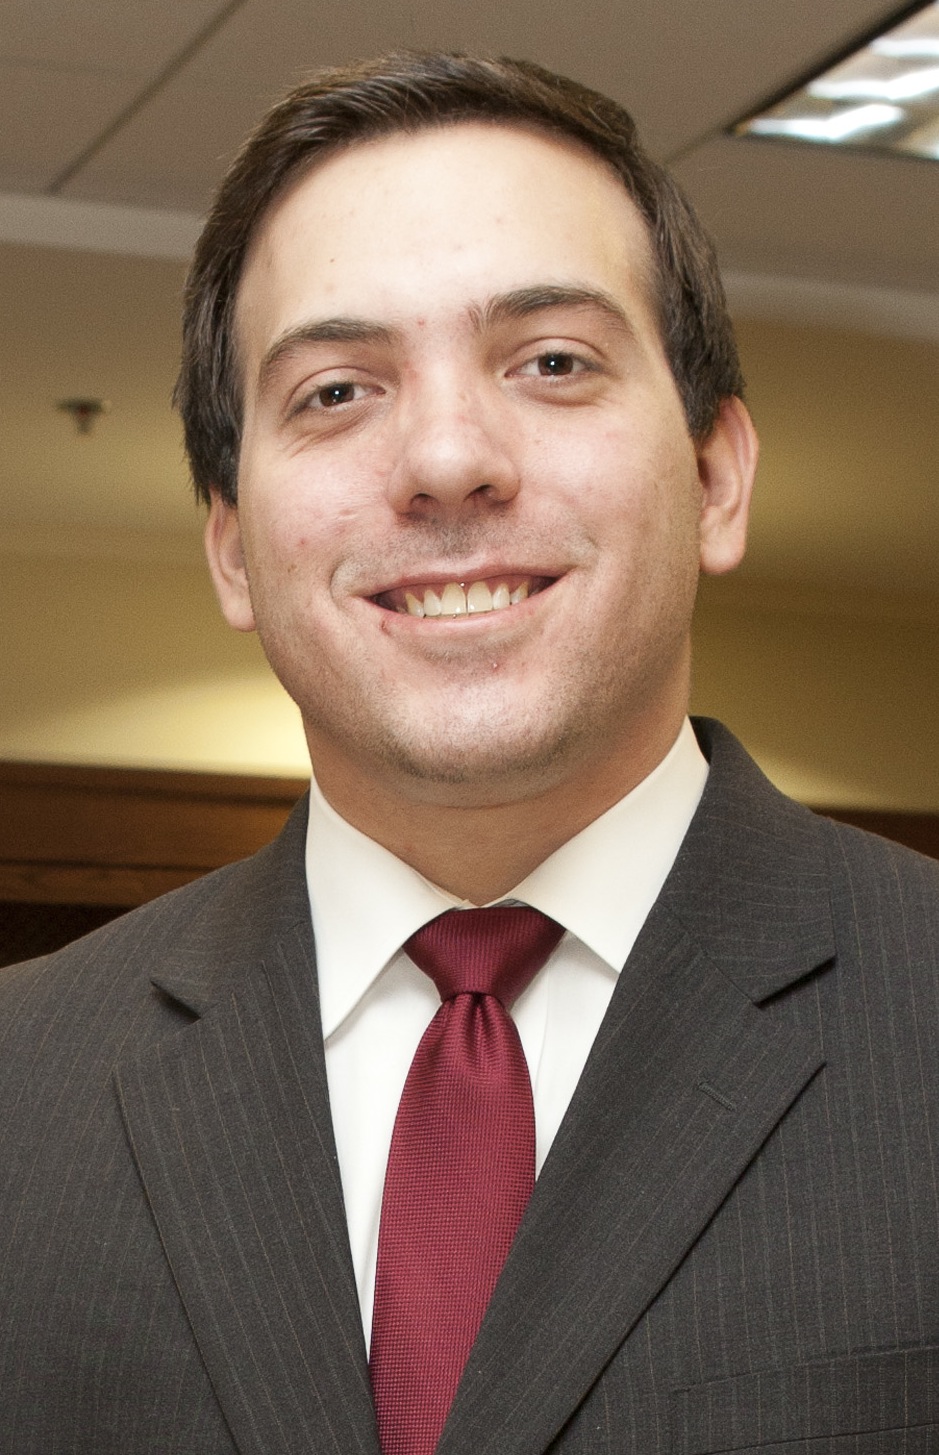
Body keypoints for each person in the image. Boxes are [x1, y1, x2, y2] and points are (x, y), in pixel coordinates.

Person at [1, 51, 938, 1455]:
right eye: (336, 391)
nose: (446, 459)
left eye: (553, 362)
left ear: (715, 477)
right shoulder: (21, 1088)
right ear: (233, 550)